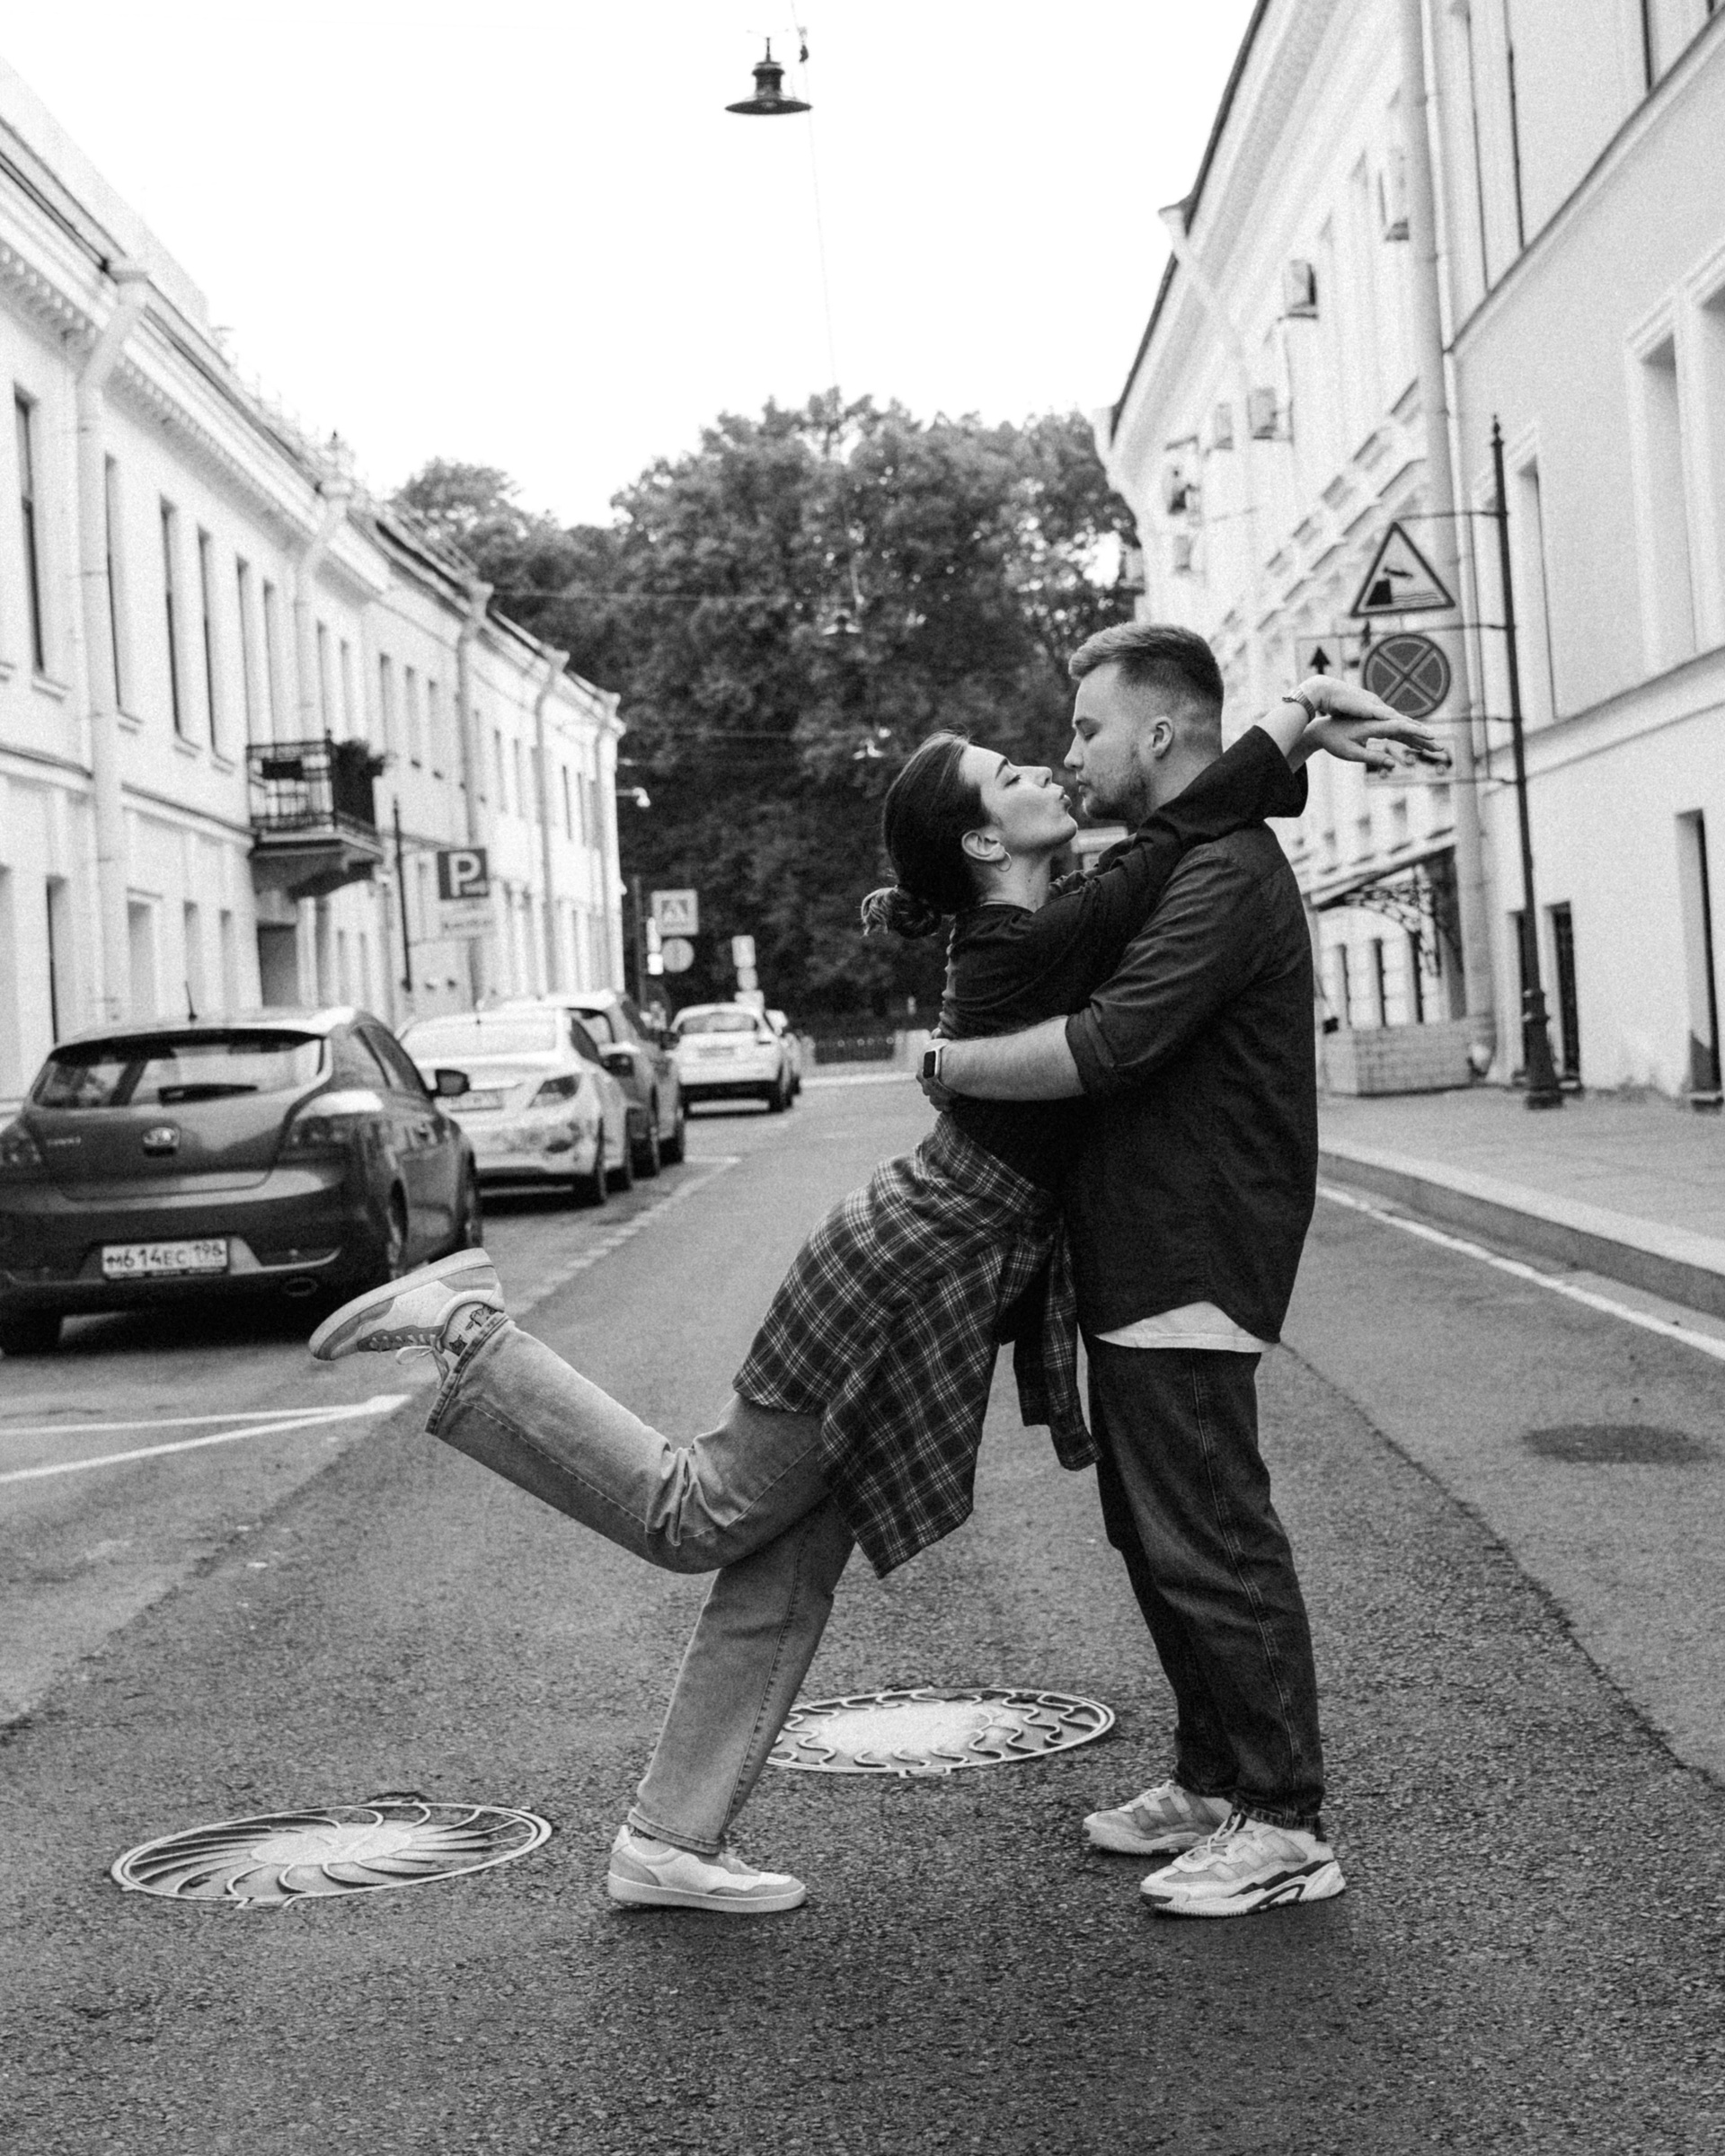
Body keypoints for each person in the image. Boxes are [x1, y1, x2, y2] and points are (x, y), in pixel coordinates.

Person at [308, 675, 1430, 1917]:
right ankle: (471, 1337)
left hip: (937, 1268)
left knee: (792, 1554)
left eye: (1054, 748)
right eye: (1012, 774)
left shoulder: (1045, 918)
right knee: (701, 1512)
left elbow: (1167, 842)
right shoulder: (1022, 942)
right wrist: (1287, 724)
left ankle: (669, 1839)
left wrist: (1288, 737)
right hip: (904, 1269)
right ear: (984, 845)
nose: (1048, 767)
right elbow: (1167, 848)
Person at [923, 623, 1407, 1919]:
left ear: (1155, 730)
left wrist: (951, 1065)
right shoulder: (1185, 850)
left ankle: (1286, 1820)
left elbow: (1117, 1041)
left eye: (1088, 728)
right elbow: (1192, 815)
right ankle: (1212, 1778)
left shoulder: (1226, 874)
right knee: (1153, 1536)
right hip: (1137, 1248)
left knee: (1213, 1540)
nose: (1070, 752)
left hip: (1193, 1245)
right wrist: (1294, 726)